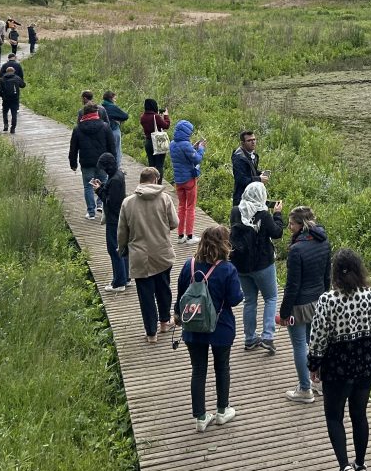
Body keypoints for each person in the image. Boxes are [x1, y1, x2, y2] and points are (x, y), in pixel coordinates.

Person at [308, 248, 371, 471]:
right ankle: (361, 466)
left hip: (337, 368)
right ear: (359, 270)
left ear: (335, 273)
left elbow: (318, 337)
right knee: (359, 414)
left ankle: (345, 467)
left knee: (334, 417)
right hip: (365, 364)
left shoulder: (327, 300)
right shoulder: (370, 295)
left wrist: (314, 364)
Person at [175, 224, 243, 432]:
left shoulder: (190, 265)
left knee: (198, 370)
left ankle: (201, 417)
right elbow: (235, 299)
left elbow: (180, 296)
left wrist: (177, 316)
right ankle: (222, 411)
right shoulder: (227, 269)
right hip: (220, 328)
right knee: (222, 368)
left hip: (193, 328)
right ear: (225, 244)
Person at [278, 205, 331, 405]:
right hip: (319, 300)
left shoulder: (296, 250)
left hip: (299, 305)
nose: (289, 227)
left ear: (301, 225)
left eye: (291, 223)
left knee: (300, 345)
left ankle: (304, 389)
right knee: (316, 343)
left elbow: (292, 286)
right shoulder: (324, 242)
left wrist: (284, 312)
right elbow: (327, 275)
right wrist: (326, 299)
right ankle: (320, 382)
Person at [117, 167, 177, 342]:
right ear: (156, 180)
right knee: (164, 289)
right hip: (162, 253)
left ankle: (151, 334)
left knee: (146, 296)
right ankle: (165, 323)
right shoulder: (165, 199)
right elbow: (174, 223)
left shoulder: (127, 203)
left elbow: (122, 233)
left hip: (139, 256)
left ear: (140, 181)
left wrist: (122, 249)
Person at [230, 182, 284, 355]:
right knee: (271, 297)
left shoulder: (236, 211)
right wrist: (277, 214)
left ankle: (250, 338)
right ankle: (267, 335)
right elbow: (277, 233)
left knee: (250, 300)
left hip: (241, 265)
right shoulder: (263, 215)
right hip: (262, 264)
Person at [68, 101, 116, 220]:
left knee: (88, 186)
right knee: (104, 183)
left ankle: (91, 212)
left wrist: (73, 163)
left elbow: (73, 148)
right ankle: (101, 204)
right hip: (103, 162)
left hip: (86, 162)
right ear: (96, 112)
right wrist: (113, 162)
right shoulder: (105, 126)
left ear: (84, 113)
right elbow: (112, 145)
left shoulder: (78, 128)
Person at [92, 152, 129, 292]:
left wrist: (98, 190)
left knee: (114, 249)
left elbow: (111, 202)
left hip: (114, 220)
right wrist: (102, 187)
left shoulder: (114, 180)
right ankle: (126, 277)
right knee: (123, 248)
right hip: (121, 217)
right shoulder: (118, 175)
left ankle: (119, 282)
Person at [169, 121, 205, 244]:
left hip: (178, 180)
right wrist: (200, 149)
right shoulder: (186, 145)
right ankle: (190, 236)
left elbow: (183, 156)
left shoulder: (172, 144)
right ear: (187, 132)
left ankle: (180, 236)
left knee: (181, 207)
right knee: (190, 208)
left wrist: (193, 147)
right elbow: (197, 159)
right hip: (189, 180)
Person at [231, 131, 266, 208]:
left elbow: (250, 171)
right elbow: (241, 179)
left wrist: (260, 173)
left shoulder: (254, 155)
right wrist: (259, 179)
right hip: (241, 198)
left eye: (254, 139)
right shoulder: (238, 158)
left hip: (253, 196)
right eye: (249, 140)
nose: (253, 142)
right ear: (242, 143)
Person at [139, 99, 171, 177]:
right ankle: (158, 184)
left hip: (148, 142)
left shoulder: (143, 117)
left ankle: (151, 183)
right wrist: (166, 116)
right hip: (157, 142)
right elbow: (166, 125)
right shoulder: (155, 116)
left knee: (151, 165)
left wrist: (159, 116)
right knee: (159, 165)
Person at [0, 65, 25, 133]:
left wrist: (3, 96)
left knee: (5, 112)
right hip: (15, 99)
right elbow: (23, 85)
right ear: (13, 71)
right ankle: (13, 128)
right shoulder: (17, 78)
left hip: (6, 99)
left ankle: (6, 125)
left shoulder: (2, 79)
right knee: (14, 113)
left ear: (6, 72)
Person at [101, 91, 129, 162]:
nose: (115, 100)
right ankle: (116, 168)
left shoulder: (101, 107)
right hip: (114, 130)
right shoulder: (112, 107)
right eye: (114, 98)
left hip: (103, 132)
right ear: (110, 98)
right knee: (117, 150)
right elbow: (125, 116)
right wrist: (116, 119)